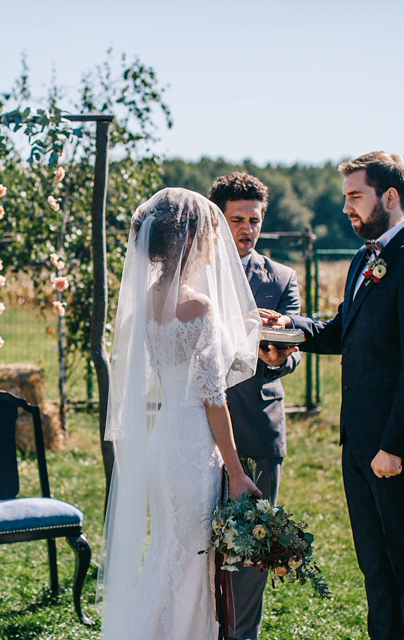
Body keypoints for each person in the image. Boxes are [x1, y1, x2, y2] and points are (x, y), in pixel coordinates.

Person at [263, 152, 404, 640]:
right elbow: (340, 330)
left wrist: (395, 447)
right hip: (360, 443)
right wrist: (291, 327)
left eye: (355, 196)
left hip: (397, 446)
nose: (346, 207)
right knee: (376, 569)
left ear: (389, 197)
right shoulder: (364, 257)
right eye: (345, 196)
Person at [99, 188, 262, 639]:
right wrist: (235, 471)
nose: (216, 243)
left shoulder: (152, 298)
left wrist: (244, 329)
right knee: (190, 563)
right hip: (192, 449)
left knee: (168, 555)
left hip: (163, 442)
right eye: (210, 234)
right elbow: (213, 395)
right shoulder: (199, 306)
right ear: (189, 241)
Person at [208, 172, 301, 640]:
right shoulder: (193, 273)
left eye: (255, 220)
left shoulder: (282, 278)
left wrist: (278, 358)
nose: (246, 228)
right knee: (198, 550)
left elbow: (295, 350)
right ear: (217, 220)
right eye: (237, 219)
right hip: (198, 434)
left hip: (260, 433)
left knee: (249, 554)